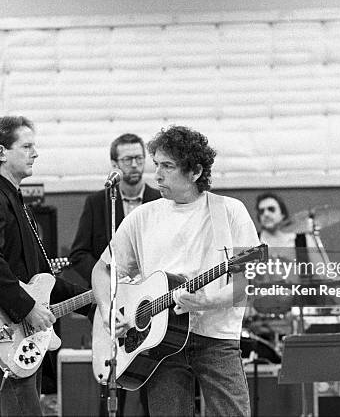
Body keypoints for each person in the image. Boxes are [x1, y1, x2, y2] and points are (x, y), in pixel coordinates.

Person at [92, 125, 260, 416]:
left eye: (167, 166)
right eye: (156, 164)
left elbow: (244, 286)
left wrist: (207, 302)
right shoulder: (142, 217)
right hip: (157, 344)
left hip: (216, 338)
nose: (156, 174)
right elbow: (102, 270)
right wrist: (109, 310)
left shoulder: (230, 212)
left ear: (195, 171)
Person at [0, 116, 90, 416]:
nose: (36, 153)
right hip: (2, 341)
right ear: (1, 153)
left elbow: (44, 279)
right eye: (27, 146)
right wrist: (27, 308)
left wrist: (93, 299)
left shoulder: (16, 202)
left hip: (21, 340)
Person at [67, 133, 161, 288]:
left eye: (139, 158)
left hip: (152, 290)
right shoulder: (96, 203)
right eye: (127, 159)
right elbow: (79, 255)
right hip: (111, 292)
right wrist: (106, 279)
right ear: (114, 164)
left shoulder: (160, 201)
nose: (134, 164)